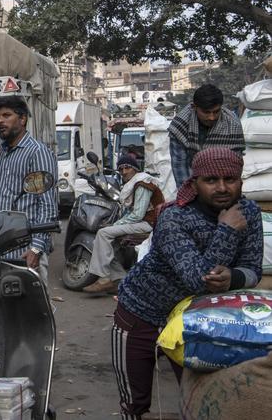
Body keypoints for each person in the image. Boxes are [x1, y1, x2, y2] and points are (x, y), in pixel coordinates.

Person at [111, 147, 262, 420]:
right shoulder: (174, 217)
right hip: (139, 315)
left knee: (200, 399)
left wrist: (235, 277)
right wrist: (226, 230)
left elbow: (252, 269)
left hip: (196, 321)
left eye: (230, 179)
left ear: (241, 181)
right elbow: (198, 280)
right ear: (194, 183)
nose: (222, 187)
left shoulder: (248, 212)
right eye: (211, 180)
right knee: (135, 404)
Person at [0, 97, 59, 283]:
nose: (0, 121)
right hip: (0, 247)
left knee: (32, 309)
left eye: (6, 115)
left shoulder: (37, 152)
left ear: (22, 119)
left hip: (26, 250)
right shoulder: (0, 152)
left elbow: (47, 205)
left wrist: (36, 248)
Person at [83, 156, 164, 294]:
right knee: (105, 243)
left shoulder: (142, 183)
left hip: (149, 223)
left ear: (135, 169)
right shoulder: (133, 184)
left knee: (103, 233)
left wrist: (116, 224)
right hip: (142, 222)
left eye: (127, 168)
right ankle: (120, 279)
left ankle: (103, 279)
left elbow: (138, 214)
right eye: (121, 169)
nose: (124, 171)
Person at [169, 83, 244, 186]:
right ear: (194, 107)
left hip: (224, 179)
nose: (211, 117)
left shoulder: (232, 123)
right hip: (194, 179)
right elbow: (180, 165)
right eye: (206, 112)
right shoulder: (180, 125)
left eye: (216, 112)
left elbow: (236, 164)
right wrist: (187, 195)